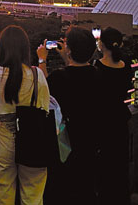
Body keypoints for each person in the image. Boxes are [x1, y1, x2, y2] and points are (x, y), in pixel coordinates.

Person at [0, 25, 49, 205]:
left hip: (4, 134)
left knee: (2, 193)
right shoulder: (36, 74)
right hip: (32, 135)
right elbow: (45, 106)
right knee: (33, 195)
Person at [40, 26, 103, 205]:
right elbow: (78, 77)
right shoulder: (98, 74)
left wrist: (42, 60)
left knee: (64, 189)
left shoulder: (60, 78)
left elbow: (45, 89)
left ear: (69, 50)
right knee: (85, 187)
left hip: (65, 142)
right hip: (90, 139)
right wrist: (67, 58)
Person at [94, 27, 134, 203]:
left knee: (105, 166)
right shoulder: (125, 65)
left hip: (103, 122)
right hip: (120, 118)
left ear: (101, 44)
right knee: (120, 164)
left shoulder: (97, 67)